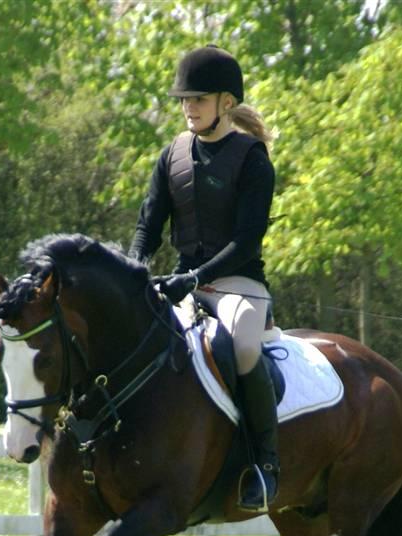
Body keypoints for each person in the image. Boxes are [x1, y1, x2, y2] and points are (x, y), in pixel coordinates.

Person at [129, 45, 278, 512]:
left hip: (238, 286)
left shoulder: (252, 159)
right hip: (181, 285)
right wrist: (135, 269)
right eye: (183, 100)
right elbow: (147, 227)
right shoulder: (171, 155)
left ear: (226, 103)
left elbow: (247, 242)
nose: (188, 107)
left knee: (244, 347)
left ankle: (265, 465)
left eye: (198, 99)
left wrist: (194, 278)